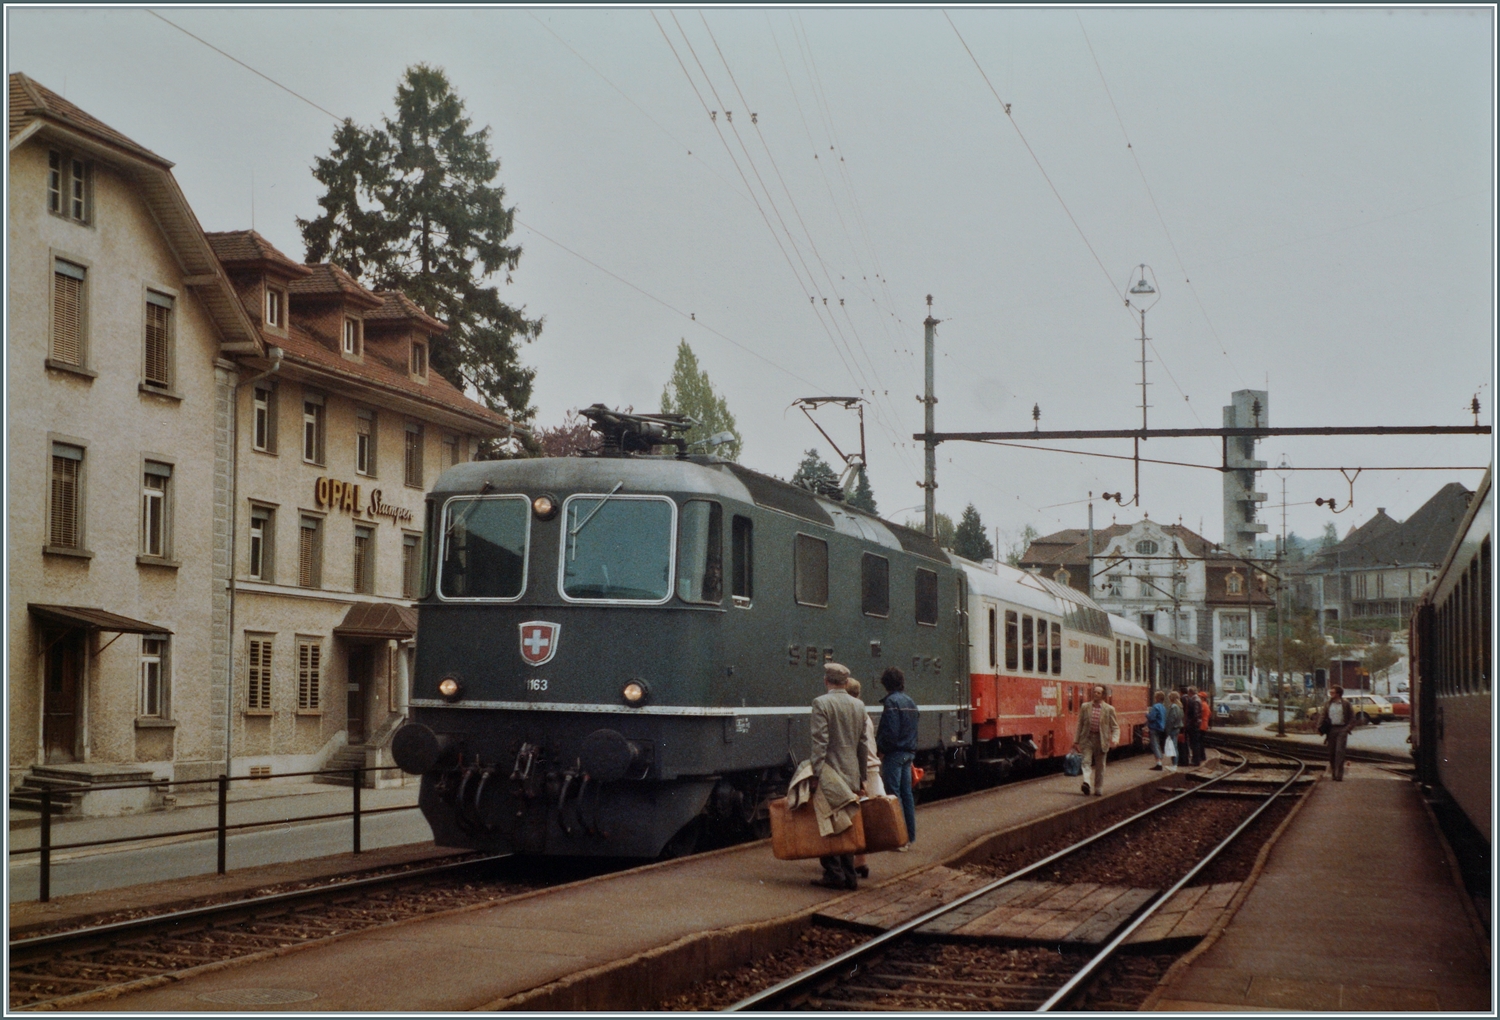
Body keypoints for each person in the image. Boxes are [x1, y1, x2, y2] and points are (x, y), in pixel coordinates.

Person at [809, 662, 868, 890]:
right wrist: (862, 776)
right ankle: (849, 874)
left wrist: (815, 773)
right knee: (847, 824)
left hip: (829, 773)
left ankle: (833, 873)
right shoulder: (859, 705)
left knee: (828, 822)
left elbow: (820, 743)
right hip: (852, 772)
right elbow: (862, 745)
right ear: (845, 682)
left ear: (826, 681)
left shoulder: (821, 703)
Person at [876, 666, 918, 852]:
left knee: (894, 795)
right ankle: (910, 836)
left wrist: (881, 750)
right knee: (906, 794)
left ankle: (900, 839)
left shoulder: (891, 702)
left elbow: (890, 732)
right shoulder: (910, 701)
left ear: (886, 684)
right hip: (909, 752)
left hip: (894, 754)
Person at [845, 678, 884, 878]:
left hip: (862, 771)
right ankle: (861, 862)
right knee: (862, 819)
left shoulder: (854, 715)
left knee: (853, 818)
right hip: (872, 769)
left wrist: (860, 779)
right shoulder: (865, 715)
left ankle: (855, 863)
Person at [1072, 685, 1119, 796]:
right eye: (1094, 692)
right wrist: (1076, 740)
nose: (1095, 694)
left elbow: (1115, 727)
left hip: (1101, 740)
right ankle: (1087, 782)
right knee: (1086, 761)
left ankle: (1098, 787)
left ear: (1103, 695)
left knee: (1100, 766)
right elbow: (1080, 724)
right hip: (1087, 738)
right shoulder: (1085, 707)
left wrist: (1115, 739)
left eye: (1098, 693)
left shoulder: (1109, 709)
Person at [1316, 685, 1362, 781]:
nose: (1331, 694)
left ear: (1338, 694)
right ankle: (1333, 772)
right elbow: (1322, 716)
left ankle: (1339, 775)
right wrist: (1319, 728)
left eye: (1332, 693)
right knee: (1332, 753)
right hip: (1331, 730)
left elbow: (1353, 718)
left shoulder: (1346, 704)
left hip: (1342, 729)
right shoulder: (1328, 704)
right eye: (1330, 692)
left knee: (1339, 752)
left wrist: (1347, 729)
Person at [1182, 687, 1206, 766]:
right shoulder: (1197, 700)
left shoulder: (1195, 700)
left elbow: (1195, 714)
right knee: (1195, 743)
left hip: (1194, 725)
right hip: (1196, 724)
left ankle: (1196, 760)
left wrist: (1189, 722)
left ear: (1190, 692)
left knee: (1194, 743)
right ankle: (1196, 759)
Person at [1146, 691, 1168, 770]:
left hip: (1154, 728)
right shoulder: (1163, 707)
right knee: (1158, 744)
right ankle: (1159, 761)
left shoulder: (1155, 707)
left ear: (1157, 698)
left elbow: (1152, 718)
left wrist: (1147, 714)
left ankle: (1159, 763)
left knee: (1155, 745)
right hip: (1161, 728)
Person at [1165, 690, 1185, 773]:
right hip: (1177, 728)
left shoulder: (1173, 707)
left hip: (1173, 729)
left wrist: (1167, 731)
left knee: (1173, 748)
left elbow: (1171, 720)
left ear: (1171, 698)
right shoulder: (1180, 707)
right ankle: (1174, 765)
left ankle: (1174, 765)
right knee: (1174, 747)